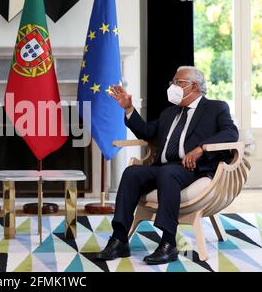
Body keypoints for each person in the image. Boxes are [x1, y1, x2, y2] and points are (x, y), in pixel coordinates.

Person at [95, 66, 239, 265]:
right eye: (172, 82)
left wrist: (200, 149)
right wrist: (129, 109)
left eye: (178, 83)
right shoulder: (169, 113)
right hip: (163, 167)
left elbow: (231, 133)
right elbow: (146, 132)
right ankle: (119, 239)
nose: (172, 86)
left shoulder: (216, 108)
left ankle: (168, 243)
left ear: (194, 86)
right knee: (131, 173)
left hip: (192, 169)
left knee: (168, 173)